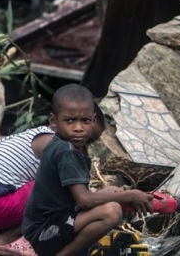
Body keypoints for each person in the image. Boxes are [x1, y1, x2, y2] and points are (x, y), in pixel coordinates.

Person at [22, 84, 152, 256]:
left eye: (85, 121)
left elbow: (82, 199)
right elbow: (84, 201)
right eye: (69, 121)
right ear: (53, 121)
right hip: (45, 232)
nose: (78, 128)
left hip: (55, 223)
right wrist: (129, 196)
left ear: (93, 119)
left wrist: (119, 193)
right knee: (111, 211)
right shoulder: (65, 151)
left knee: (112, 191)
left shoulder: (70, 147)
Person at [0, 103, 105, 252]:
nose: (81, 142)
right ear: (56, 122)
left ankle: (5, 238)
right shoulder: (55, 146)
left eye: (88, 141)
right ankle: (10, 238)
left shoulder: (33, 135)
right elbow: (81, 199)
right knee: (62, 189)